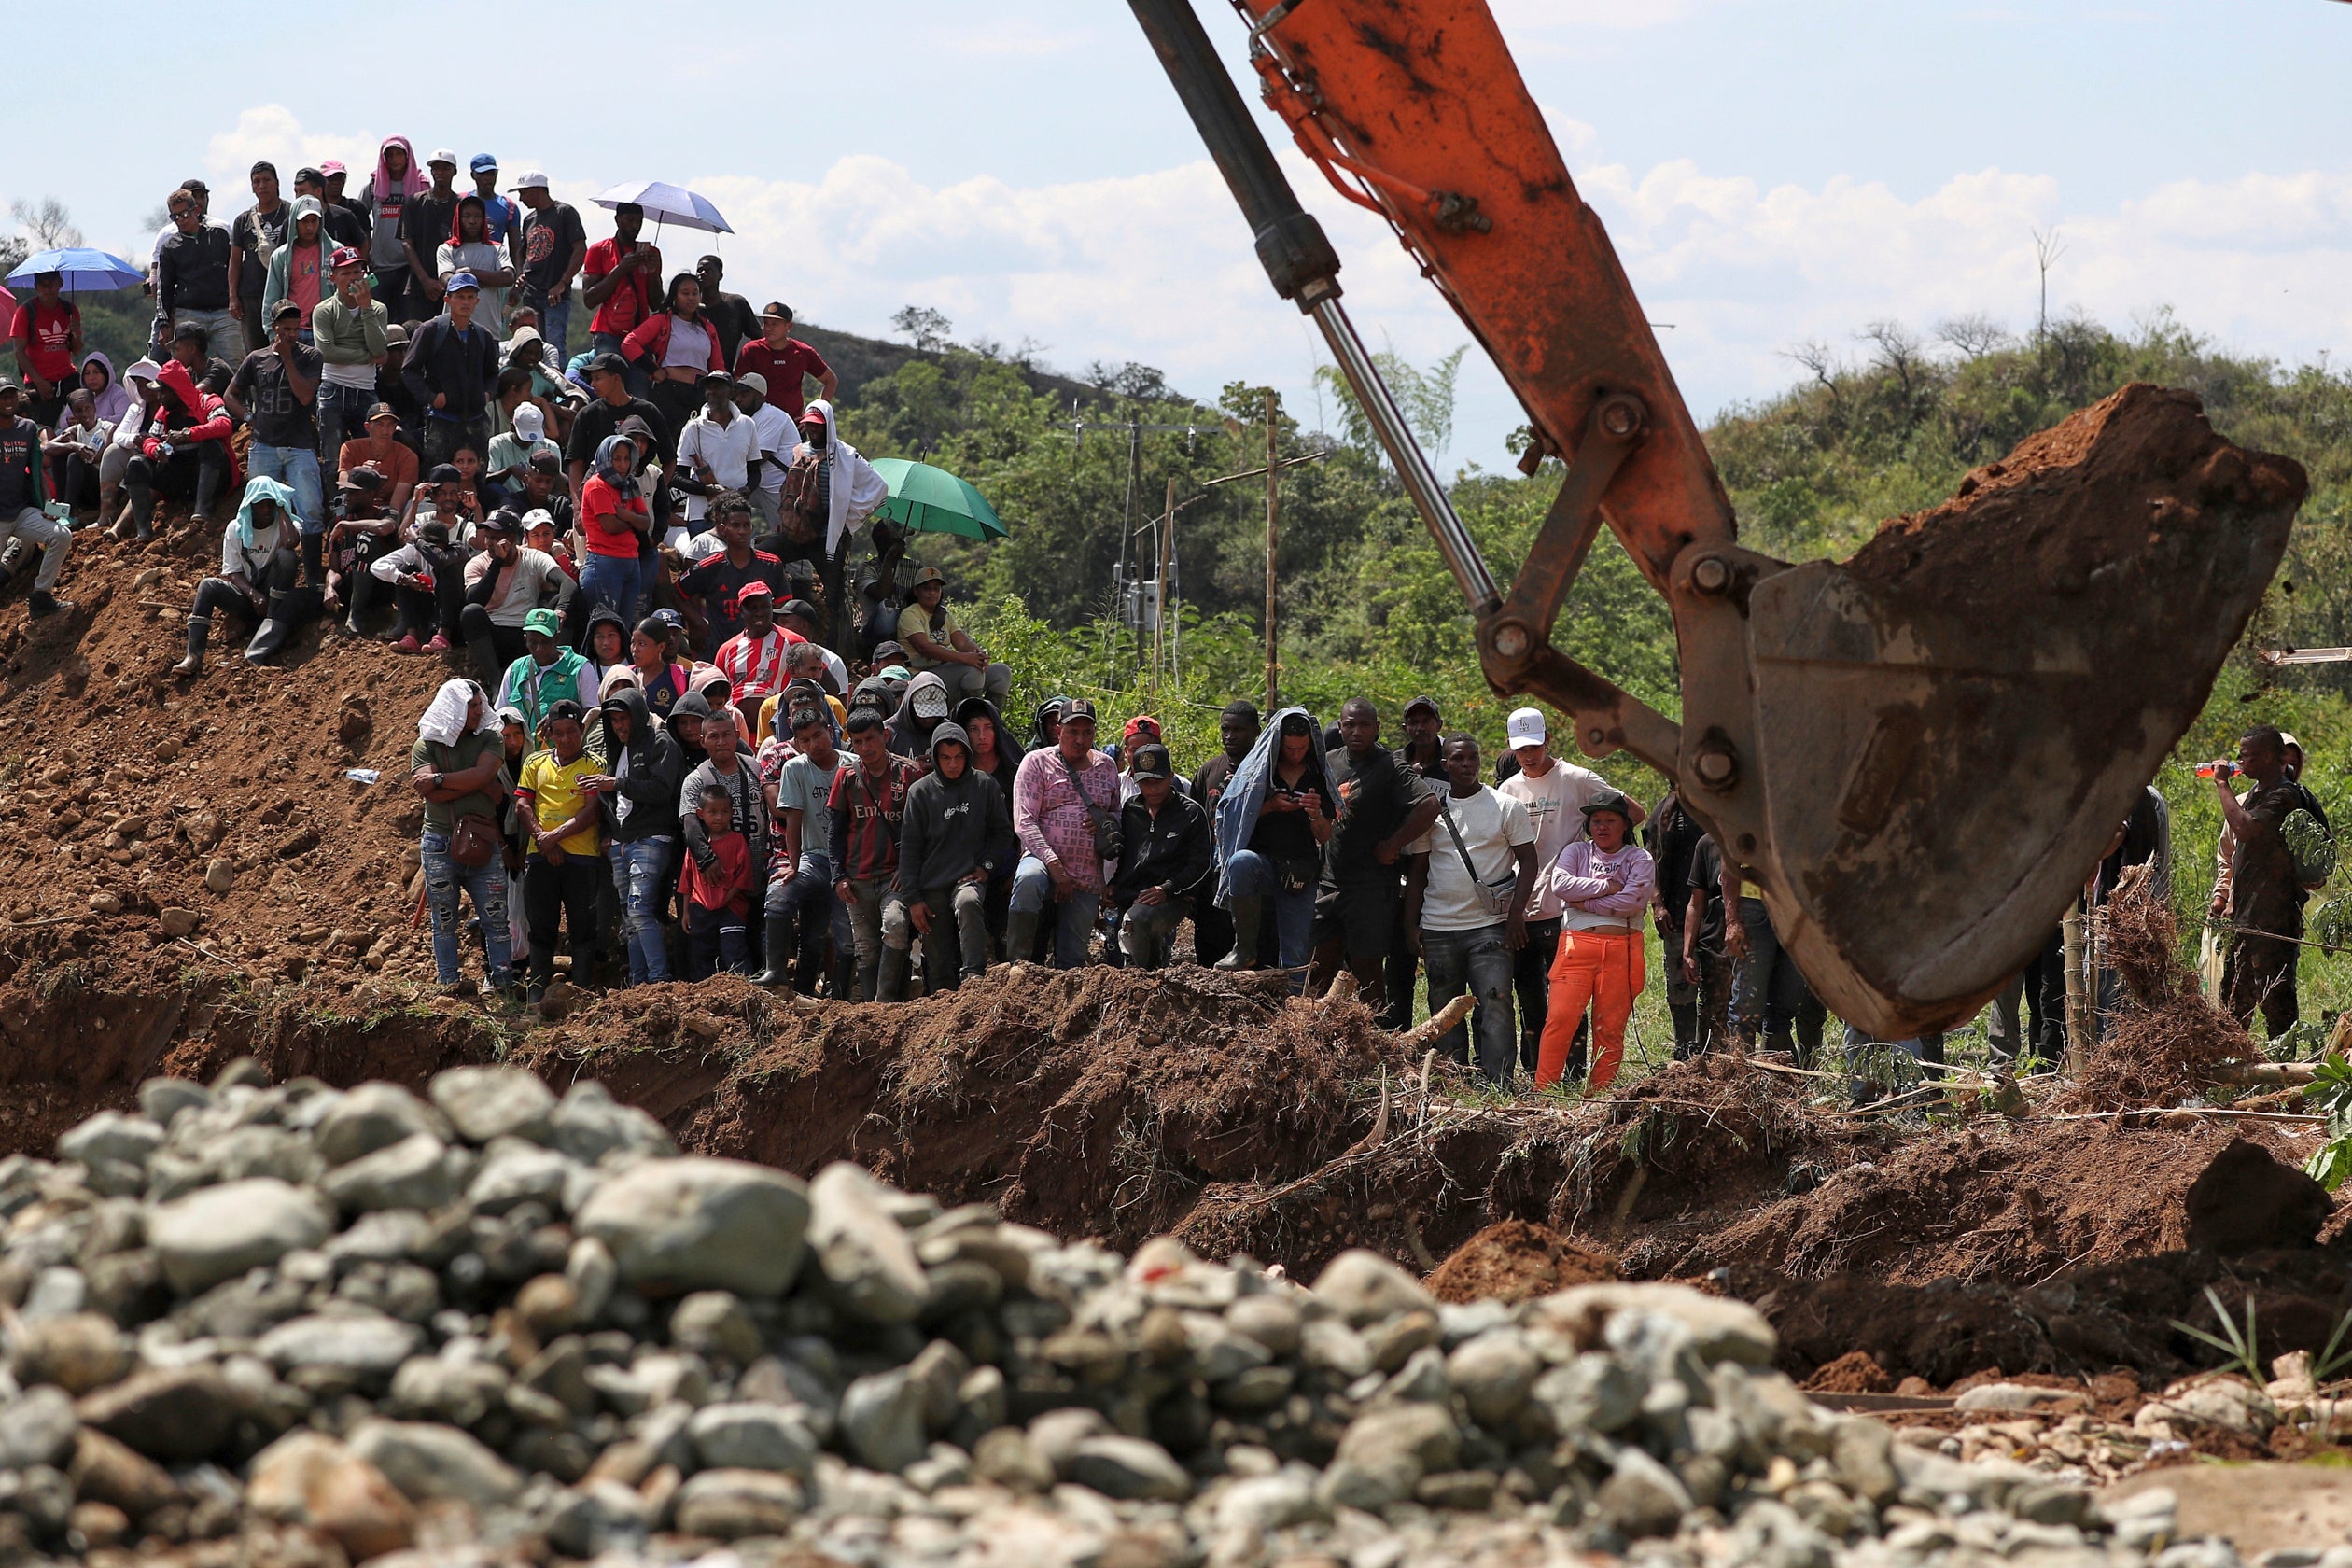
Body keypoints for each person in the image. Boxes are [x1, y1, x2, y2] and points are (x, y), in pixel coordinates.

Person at [1496, 707, 1637, 1073]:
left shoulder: (1576, 778)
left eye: (1534, 746)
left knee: (1568, 998)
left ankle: (1573, 1074)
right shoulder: (1508, 790)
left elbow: (1631, 811)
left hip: (1567, 907)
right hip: (1521, 909)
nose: (1528, 755)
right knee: (1528, 996)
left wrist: (1595, 848)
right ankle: (1537, 1073)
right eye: (1520, 749)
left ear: (1547, 740)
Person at [1405, 734, 1538, 1082]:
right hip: (1438, 927)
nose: (1466, 765)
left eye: (1472, 758)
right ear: (1445, 764)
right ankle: (1453, 1079)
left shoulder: (1505, 806)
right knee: (1444, 1008)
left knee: (1496, 1002)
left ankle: (1499, 1082)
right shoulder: (1430, 811)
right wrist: (1411, 925)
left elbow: (1529, 862)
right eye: (1458, 759)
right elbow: (1418, 872)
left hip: (1490, 925)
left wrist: (1515, 916)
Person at [1310, 698, 1439, 1013]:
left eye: (1365, 724)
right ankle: (1314, 1043)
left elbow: (1429, 805)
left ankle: (1373, 1048)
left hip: (1370, 888)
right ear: (1340, 727)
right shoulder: (1326, 762)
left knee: (1368, 973)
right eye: (1350, 724)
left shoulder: (1391, 767)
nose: (1357, 731)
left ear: (1377, 728)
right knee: (1317, 970)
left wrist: (1394, 843)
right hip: (1328, 884)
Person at [1533, 791, 1655, 1091]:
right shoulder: (1576, 852)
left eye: (1610, 820)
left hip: (1623, 950)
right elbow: (1561, 884)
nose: (1602, 827)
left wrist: (1584, 902)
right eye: (1596, 821)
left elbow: (1634, 901)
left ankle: (1600, 1093)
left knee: (1610, 1028)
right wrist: (1607, 886)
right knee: (1560, 1019)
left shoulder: (1639, 858)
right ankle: (1543, 1089)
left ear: (1625, 824)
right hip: (1576, 946)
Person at [411, 679, 516, 999]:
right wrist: (480, 785)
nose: (478, 710)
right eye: (469, 706)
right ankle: (449, 987)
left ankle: (503, 988)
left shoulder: (490, 738)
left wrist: (442, 779)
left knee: (496, 918)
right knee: (443, 919)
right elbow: (429, 793)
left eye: (478, 704)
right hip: (440, 843)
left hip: (483, 842)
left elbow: (479, 775)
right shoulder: (426, 744)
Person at [1213, 710, 1337, 981]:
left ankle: (1294, 1012)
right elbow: (1233, 814)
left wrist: (1314, 813)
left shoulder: (1317, 776)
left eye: (1302, 748)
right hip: (1264, 865)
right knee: (1240, 862)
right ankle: (1243, 949)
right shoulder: (1259, 771)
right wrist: (1268, 807)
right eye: (1290, 748)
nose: (1296, 754)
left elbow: (1325, 834)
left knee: (1295, 956)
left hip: (1300, 872)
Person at [896, 721, 1017, 992]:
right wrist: (913, 899)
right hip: (932, 883)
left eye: (959, 757)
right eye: (946, 758)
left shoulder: (984, 785)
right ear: (936, 758)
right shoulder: (921, 792)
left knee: (969, 902)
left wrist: (986, 865)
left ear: (967, 755)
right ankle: (941, 1004)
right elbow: (910, 848)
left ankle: (974, 980)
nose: (953, 764)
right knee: (937, 958)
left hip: (968, 878)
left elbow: (1002, 833)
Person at [2214, 726, 2314, 1041]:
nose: (2240, 760)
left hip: (2275, 921)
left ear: (2270, 757)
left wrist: (2221, 784)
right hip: (2247, 918)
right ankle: (2233, 1077)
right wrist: (2224, 897)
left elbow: (2246, 829)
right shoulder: (2257, 793)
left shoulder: (2285, 796)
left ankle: (2284, 1077)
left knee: (2277, 1004)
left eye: (2248, 755)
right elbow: (2229, 854)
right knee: (2233, 1002)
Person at [587, 684, 681, 987]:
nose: (620, 726)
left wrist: (617, 784)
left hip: (652, 837)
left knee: (640, 909)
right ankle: (638, 984)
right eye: (614, 720)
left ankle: (658, 982)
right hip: (621, 841)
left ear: (638, 715)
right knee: (629, 916)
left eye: (624, 718)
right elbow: (610, 797)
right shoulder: (618, 749)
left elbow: (662, 789)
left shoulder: (661, 742)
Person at [225, 301, 325, 584]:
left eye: (296, 328)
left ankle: (314, 580)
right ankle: (259, 575)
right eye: (285, 329)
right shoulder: (256, 359)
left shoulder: (311, 357)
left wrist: (288, 359)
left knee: (310, 510)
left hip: (299, 445)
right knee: (257, 509)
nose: (291, 334)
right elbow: (230, 394)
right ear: (273, 328)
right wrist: (247, 416)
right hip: (264, 445)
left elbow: (305, 396)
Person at [513, 701, 607, 1004]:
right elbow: (522, 805)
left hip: (581, 856)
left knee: (582, 926)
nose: (566, 739)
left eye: (572, 732)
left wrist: (552, 837)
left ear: (582, 731)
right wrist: (543, 838)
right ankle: (536, 993)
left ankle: (579, 993)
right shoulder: (534, 763)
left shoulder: (595, 765)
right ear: (549, 733)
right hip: (540, 855)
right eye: (559, 733)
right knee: (541, 925)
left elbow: (592, 812)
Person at [830, 707, 922, 1000]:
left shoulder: (909, 773)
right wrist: (838, 877)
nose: (865, 747)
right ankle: (873, 1013)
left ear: (885, 735)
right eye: (857, 742)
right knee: (866, 948)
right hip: (856, 878)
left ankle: (885, 1004)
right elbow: (834, 831)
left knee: (895, 927)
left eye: (870, 739)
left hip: (893, 877)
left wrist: (906, 871)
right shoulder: (846, 777)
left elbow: (921, 831)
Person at [171, 476, 303, 674]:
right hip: (248, 597)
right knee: (208, 585)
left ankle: (273, 625)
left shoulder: (285, 526)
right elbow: (232, 572)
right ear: (250, 505)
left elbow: (291, 542)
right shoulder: (236, 528)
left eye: (271, 504)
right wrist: (253, 595)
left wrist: (283, 507)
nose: (267, 510)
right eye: (261, 505)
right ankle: (193, 655)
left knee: (286, 556)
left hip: (275, 597)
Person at [757, 705, 847, 990]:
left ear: (830, 732)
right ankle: (777, 972)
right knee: (778, 897)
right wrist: (793, 864)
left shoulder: (851, 765)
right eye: (805, 740)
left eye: (818, 735)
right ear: (796, 743)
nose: (813, 744)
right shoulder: (794, 768)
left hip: (849, 864)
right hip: (814, 859)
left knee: (840, 937)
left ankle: (845, 995)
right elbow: (793, 818)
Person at [1110, 743, 1212, 970]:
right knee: (1115, 951)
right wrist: (1114, 886)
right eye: (1146, 783)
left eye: (1158, 781)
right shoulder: (1131, 810)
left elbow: (1201, 864)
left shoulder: (1191, 813)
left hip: (1173, 897)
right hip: (1131, 894)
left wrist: (1167, 889)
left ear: (1171, 776)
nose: (1153, 789)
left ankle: (1138, 981)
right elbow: (1127, 857)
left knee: (1134, 923)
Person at [791, 399, 889, 637]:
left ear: (828, 426)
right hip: (800, 532)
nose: (813, 430)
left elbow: (878, 486)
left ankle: (834, 649)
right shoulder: (798, 452)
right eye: (809, 425)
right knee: (771, 556)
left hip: (829, 537)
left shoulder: (846, 455)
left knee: (833, 598)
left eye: (818, 425)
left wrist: (849, 514)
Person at [124, 357, 233, 540]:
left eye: (163, 393)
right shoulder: (164, 412)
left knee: (211, 445)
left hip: (213, 476)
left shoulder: (208, 402)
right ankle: (144, 531)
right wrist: (155, 451)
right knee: (137, 463)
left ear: (177, 391)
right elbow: (150, 439)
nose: (159, 398)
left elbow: (224, 424)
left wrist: (188, 434)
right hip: (179, 477)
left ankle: (202, 511)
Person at [1644, 780, 1714, 1060]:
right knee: (1680, 984)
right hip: (1675, 909)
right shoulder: (1663, 815)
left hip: (1714, 913)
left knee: (1714, 984)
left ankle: (1711, 1051)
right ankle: (1685, 1050)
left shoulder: (1716, 811)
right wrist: (1657, 903)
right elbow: (1650, 861)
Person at [1188, 700, 1261, 966]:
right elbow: (1194, 825)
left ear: (1255, 731)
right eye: (1225, 729)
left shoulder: (1264, 770)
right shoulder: (1209, 770)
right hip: (1212, 878)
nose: (1230, 736)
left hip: (1248, 878)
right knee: (1210, 958)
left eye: (1238, 730)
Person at [403, 273, 499, 467]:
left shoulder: (483, 335)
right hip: (442, 419)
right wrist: (431, 397)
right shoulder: (431, 330)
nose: (466, 302)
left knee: (476, 477)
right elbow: (409, 370)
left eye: (470, 297)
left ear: (477, 301)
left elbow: (492, 373)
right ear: (448, 299)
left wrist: (487, 394)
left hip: (476, 420)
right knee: (438, 475)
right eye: (460, 297)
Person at [678, 497, 792, 656]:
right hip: (720, 652)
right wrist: (697, 622)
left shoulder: (771, 565)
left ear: (752, 527)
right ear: (723, 529)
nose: (742, 531)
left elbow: (783, 608)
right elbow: (676, 592)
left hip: (762, 652)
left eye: (746, 525)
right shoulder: (709, 567)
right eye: (735, 525)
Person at [623, 273, 725, 450]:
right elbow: (630, 343)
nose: (691, 297)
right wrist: (654, 370)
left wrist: (720, 392)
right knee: (669, 446)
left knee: (696, 448)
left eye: (695, 293)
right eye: (685, 293)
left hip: (699, 394)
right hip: (670, 391)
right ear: (674, 296)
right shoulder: (662, 320)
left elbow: (718, 365)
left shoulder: (707, 327)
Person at [0, 380, 71, 617]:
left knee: (61, 536)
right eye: (3, 397)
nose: (8, 402)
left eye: (11, 396)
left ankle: (41, 596)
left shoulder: (27, 428)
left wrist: (49, 503)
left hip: (20, 511)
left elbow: (37, 469)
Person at [314, 249, 391, 463]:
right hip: (333, 390)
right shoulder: (324, 310)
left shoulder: (378, 309)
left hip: (365, 390)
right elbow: (327, 352)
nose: (353, 279)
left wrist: (365, 307)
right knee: (332, 458)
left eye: (357, 272)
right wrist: (367, 356)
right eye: (345, 273)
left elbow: (378, 348)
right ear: (333, 278)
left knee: (371, 458)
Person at [896, 566, 1010, 707]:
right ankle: (968, 718)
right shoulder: (910, 614)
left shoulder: (944, 615)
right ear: (916, 591)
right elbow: (924, 647)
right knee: (972, 670)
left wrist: (979, 655)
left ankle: (992, 720)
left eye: (936, 589)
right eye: (927, 588)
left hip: (945, 672)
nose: (932, 593)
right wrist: (966, 659)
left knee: (1001, 671)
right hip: (920, 675)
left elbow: (962, 643)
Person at [565, 353, 666, 506]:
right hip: (595, 499)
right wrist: (579, 506)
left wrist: (655, 493)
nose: (592, 384)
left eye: (598, 378)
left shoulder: (648, 411)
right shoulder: (587, 414)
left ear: (616, 378)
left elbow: (669, 459)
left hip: (638, 502)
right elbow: (575, 463)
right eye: (592, 379)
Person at [676, 784, 756, 978]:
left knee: (734, 950)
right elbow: (687, 882)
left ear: (732, 813)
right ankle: (704, 995)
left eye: (724, 812)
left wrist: (726, 898)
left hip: (731, 908)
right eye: (712, 812)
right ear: (701, 814)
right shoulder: (697, 846)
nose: (718, 817)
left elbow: (744, 876)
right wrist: (685, 912)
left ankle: (744, 991)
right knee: (702, 953)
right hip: (700, 909)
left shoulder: (737, 840)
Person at [583, 204, 663, 395]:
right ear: (617, 219)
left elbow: (656, 303)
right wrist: (620, 269)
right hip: (608, 332)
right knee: (608, 391)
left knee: (639, 393)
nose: (635, 226)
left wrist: (653, 274)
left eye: (639, 221)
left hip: (639, 335)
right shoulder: (599, 250)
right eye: (629, 220)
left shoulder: (652, 253)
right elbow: (589, 299)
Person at [156, 190, 240, 365]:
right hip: (188, 313)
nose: (180, 220)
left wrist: (236, 300)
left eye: (184, 214)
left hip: (224, 312)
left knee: (238, 363)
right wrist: (164, 324)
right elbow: (165, 289)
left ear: (196, 210)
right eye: (175, 216)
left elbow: (237, 269)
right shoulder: (169, 247)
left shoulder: (220, 235)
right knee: (183, 367)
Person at [578, 431, 654, 619]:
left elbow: (646, 523)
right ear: (605, 458)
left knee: (624, 629)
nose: (622, 464)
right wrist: (634, 519)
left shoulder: (629, 484)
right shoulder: (596, 485)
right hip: (604, 564)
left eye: (627, 459)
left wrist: (626, 515)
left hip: (631, 563)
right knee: (605, 629)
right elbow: (610, 526)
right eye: (617, 458)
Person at [512, 172, 586, 357]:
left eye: (524, 193)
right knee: (530, 347)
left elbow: (580, 250)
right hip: (531, 293)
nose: (521, 199)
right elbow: (522, 251)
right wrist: (521, 272)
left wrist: (562, 282)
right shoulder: (529, 219)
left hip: (555, 296)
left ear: (537, 190)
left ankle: (557, 386)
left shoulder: (564, 213)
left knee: (554, 348)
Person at [496, 605, 600, 735]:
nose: (539, 648)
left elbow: (593, 713)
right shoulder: (515, 670)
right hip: (524, 753)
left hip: (562, 751)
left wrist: (561, 717)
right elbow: (501, 713)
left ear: (557, 638)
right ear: (525, 639)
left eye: (545, 642)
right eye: (533, 642)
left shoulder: (579, 667)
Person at [368, 517, 467, 652]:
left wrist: (416, 540)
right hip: (429, 613)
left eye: (435, 546)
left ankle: (444, 635)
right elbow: (377, 566)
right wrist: (405, 579)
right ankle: (412, 636)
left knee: (449, 570)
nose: (430, 549)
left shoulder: (458, 550)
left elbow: (440, 560)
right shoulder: (415, 552)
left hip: (455, 618)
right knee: (405, 569)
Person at [675, 373, 757, 534]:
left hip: (738, 516)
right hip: (701, 516)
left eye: (718, 387)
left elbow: (755, 471)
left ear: (731, 393)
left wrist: (746, 490)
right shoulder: (693, 427)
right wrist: (707, 491)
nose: (711, 391)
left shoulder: (748, 425)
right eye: (708, 388)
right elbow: (677, 476)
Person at [733, 301, 836, 422]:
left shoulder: (803, 352)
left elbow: (831, 380)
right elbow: (738, 384)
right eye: (766, 323)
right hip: (758, 423)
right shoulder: (751, 350)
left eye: (775, 324)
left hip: (794, 423)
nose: (768, 328)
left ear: (789, 326)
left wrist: (817, 414)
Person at [227, 162, 289, 356]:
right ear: (252, 187)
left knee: (285, 346)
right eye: (257, 181)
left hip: (285, 290)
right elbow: (235, 260)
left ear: (277, 183)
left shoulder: (291, 213)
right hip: (251, 294)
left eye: (266, 180)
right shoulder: (243, 220)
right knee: (256, 351)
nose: (262, 185)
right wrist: (233, 296)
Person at [360, 139, 426, 322]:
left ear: (408, 156)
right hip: (380, 267)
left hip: (410, 269)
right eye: (389, 155)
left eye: (399, 154)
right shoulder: (373, 186)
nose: (394, 159)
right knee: (377, 320)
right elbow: (359, 220)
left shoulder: (421, 185)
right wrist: (365, 252)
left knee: (407, 323)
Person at [9, 271, 83, 429]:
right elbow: (19, 352)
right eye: (43, 285)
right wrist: (39, 381)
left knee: (78, 423)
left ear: (60, 284)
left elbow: (76, 350)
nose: (48, 289)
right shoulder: (26, 312)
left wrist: (76, 334)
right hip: (39, 382)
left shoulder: (70, 310)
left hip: (67, 378)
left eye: (52, 284)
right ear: (36, 287)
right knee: (42, 429)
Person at [714, 578, 798, 710]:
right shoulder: (727, 650)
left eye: (764, 606)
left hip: (778, 727)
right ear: (741, 611)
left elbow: (820, 679)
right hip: (736, 727)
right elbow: (716, 694)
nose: (759, 613)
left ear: (772, 606)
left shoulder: (793, 643)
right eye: (752, 608)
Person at [400, 149, 464, 324]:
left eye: (445, 168)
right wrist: (425, 280)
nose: (440, 172)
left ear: (454, 171)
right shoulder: (414, 201)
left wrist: (446, 282)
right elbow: (407, 244)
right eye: (436, 168)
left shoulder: (461, 206)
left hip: (452, 289)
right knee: (417, 338)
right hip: (418, 286)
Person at [437, 195, 513, 338]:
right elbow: (446, 280)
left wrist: (470, 272)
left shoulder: (496, 249)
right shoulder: (447, 248)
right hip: (454, 331)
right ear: (458, 218)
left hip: (489, 331)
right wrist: (486, 280)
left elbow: (508, 277)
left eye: (478, 216)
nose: (472, 221)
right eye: (466, 216)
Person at [259, 197, 330, 341]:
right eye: (304, 221)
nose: (310, 227)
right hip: (291, 332)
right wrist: (272, 333)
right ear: (294, 223)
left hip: (325, 331)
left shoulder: (335, 251)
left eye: (314, 220)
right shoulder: (280, 256)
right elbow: (271, 297)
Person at [336, 403, 417, 515]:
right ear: (367, 427)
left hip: (386, 509)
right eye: (379, 425)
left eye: (390, 425)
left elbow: (397, 506)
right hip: (356, 505)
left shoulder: (408, 456)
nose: (385, 431)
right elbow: (344, 488)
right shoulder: (350, 448)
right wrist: (361, 476)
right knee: (340, 507)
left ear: (395, 428)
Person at [38, 390, 110, 515]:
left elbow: (97, 457)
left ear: (94, 408)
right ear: (74, 414)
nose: (84, 414)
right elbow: (47, 448)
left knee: (74, 458)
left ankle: (68, 511)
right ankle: (61, 506)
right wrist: (73, 445)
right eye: (78, 411)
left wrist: (79, 451)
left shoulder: (107, 429)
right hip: (81, 490)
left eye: (87, 408)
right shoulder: (75, 430)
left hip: (100, 487)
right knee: (60, 455)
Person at [290, 166, 367, 252]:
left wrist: (358, 265)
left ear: (318, 191)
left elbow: (363, 244)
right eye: (296, 192)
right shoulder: (292, 220)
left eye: (302, 191)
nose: (298, 196)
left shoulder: (344, 216)